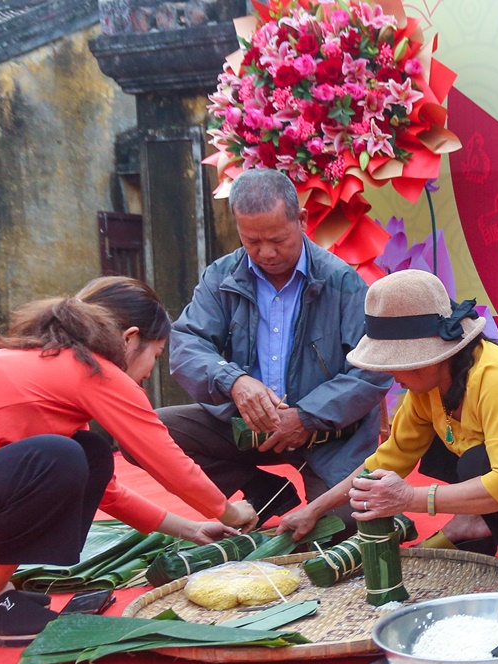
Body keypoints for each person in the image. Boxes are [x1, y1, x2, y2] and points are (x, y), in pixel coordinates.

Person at [0, 278, 256, 645]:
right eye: (156, 354)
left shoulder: (48, 364)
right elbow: (165, 459)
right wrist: (229, 513)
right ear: (130, 338)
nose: (151, 371)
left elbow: (104, 489)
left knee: (86, 453)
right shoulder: (92, 370)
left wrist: (191, 529)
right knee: (62, 456)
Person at [278, 270, 498, 568]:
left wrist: (411, 499)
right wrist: (315, 509)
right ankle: (474, 518)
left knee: (478, 460)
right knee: (443, 448)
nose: (388, 371)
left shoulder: (495, 377)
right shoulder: (424, 390)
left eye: (396, 360)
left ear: (431, 357)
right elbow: (385, 462)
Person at [162, 168, 389, 519]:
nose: (265, 252)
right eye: (251, 241)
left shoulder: (342, 281)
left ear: (301, 219)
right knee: (152, 434)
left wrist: (306, 416)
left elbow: (372, 372)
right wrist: (234, 381)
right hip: (246, 427)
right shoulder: (221, 277)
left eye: (278, 239)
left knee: (336, 533)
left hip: (327, 435)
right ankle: (263, 489)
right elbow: (185, 343)